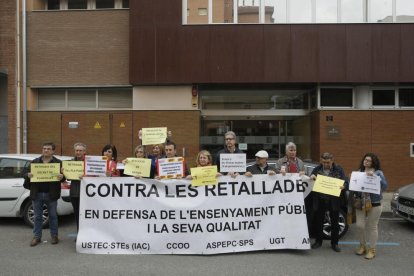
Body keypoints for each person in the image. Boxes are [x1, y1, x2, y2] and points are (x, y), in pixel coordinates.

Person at [24, 142, 65, 246]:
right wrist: (28, 175)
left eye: (48, 149)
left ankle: (54, 236)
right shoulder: (34, 162)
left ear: (53, 151)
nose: (46, 150)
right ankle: (37, 237)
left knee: (53, 216)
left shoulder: (58, 163)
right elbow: (25, 174)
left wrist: (62, 177)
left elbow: (64, 177)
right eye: (44, 148)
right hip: (37, 193)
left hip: (51, 194)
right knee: (37, 216)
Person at [310, 152, 348, 252]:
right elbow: (310, 179)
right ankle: (318, 241)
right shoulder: (317, 169)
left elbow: (346, 182)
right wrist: (312, 178)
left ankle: (334, 243)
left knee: (335, 222)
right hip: (320, 199)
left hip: (334, 200)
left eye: (327, 162)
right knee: (319, 221)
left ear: (332, 160)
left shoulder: (339, 169)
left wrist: (344, 186)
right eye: (323, 162)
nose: (326, 164)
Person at [354, 153, 388, 260]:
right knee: (360, 225)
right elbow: (354, 186)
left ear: (373, 162)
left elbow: (385, 186)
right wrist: (352, 180)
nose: (366, 161)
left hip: (375, 203)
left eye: (368, 160)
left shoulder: (378, 172)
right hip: (360, 202)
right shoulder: (359, 172)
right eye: (365, 159)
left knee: (372, 226)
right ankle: (362, 245)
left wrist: (375, 177)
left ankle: (372, 249)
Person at [68, 142, 86, 233]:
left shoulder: (89, 162)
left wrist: (86, 175)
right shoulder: (71, 163)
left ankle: (85, 233)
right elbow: (67, 177)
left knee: (86, 215)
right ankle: (79, 233)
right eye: (76, 150)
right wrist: (64, 172)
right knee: (77, 215)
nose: (78, 152)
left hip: (86, 193)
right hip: (74, 192)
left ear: (84, 151)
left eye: (80, 150)